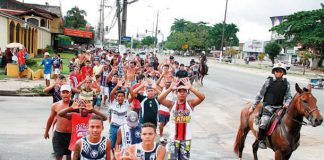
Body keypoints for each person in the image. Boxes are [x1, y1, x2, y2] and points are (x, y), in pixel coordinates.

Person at [157, 78, 205, 160]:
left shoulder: (190, 104)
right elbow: (160, 99)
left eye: (184, 92)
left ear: (187, 94)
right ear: (176, 93)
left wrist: (191, 88)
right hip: (173, 139)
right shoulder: (171, 104)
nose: (182, 93)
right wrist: (170, 89)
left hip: (186, 140)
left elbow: (202, 97)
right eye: (179, 92)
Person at [250, 63, 292, 149]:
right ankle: (261, 140)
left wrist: (287, 103)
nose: (278, 73)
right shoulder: (268, 81)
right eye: (276, 71)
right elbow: (260, 94)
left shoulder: (286, 84)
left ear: (283, 73)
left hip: (280, 108)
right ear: (274, 72)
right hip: (268, 107)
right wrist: (253, 106)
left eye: (280, 71)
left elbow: (289, 97)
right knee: (264, 123)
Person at [44, 85, 73, 160]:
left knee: (69, 156)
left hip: (72, 135)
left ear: (71, 94)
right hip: (59, 134)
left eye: (67, 92)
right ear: (60, 94)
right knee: (58, 156)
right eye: (63, 92)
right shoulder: (55, 105)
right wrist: (46, 131)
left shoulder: (75, 105)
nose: (65, 94)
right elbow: (50, 119)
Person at [108, 80, 134, 151]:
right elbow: (111, 94)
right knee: (112, 145)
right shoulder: (113, 102)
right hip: (113, 127)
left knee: (123, 145)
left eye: (122, 96)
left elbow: (133, 96)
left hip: (123, 128)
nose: (120, 98)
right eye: (118, 96)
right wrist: (117, 85)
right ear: (116, 97)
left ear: (124, 97)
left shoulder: (127, 103)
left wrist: (129, 87)